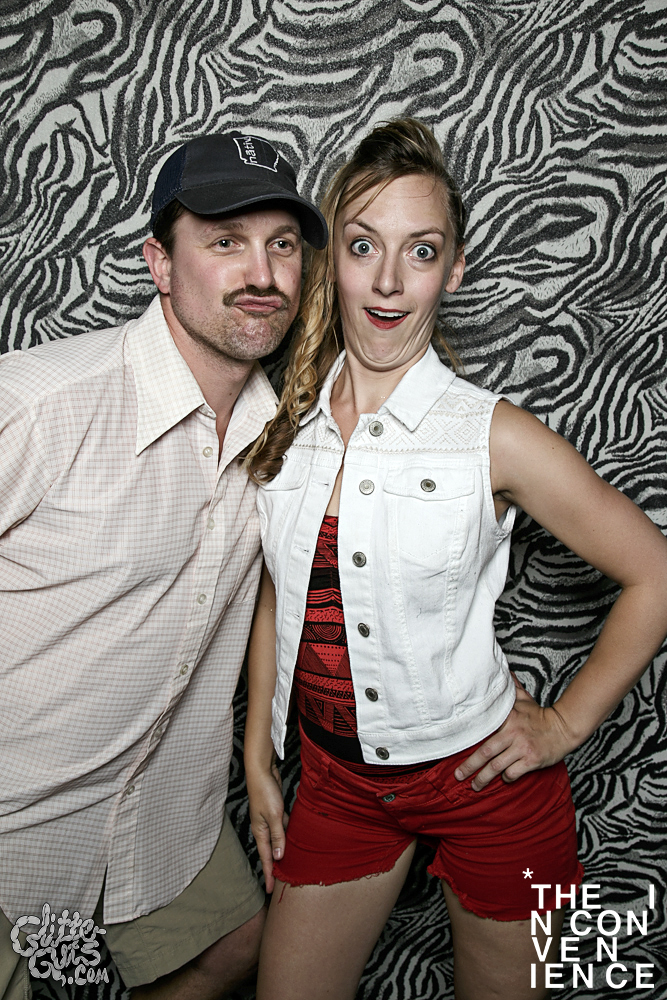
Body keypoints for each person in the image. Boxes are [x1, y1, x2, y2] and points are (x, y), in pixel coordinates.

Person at [243, 119, 667, 1000]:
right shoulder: (286, 428)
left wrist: (564, 725)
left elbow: (654, 571)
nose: (388, 282)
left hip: (488, 786)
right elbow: (282, 594)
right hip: (336, 784)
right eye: (363, 246)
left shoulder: (491, 434)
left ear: (455, 270)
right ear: (332, 260)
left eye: (422, 251)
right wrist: (256, 753)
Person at [0, 131, 327, 1000]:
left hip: (159, 806)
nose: (261, 274)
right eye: (224, 242)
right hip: (18, 817)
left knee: (238, 944)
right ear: (159, 264)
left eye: (282, 244)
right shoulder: (36, 405)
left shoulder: (287, 437)